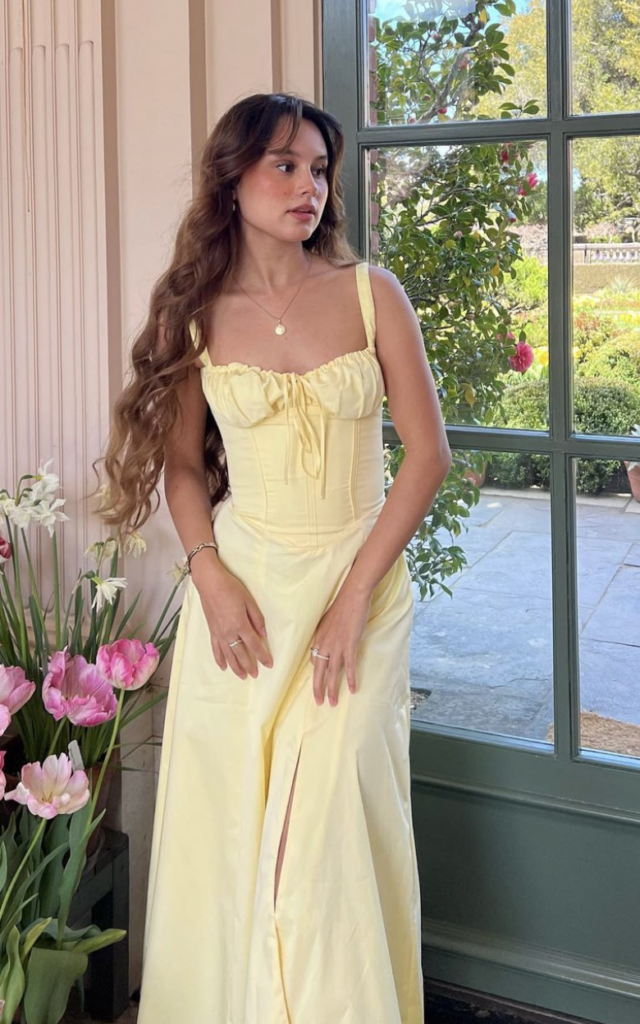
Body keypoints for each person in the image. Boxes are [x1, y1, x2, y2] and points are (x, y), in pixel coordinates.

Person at [92, 92, 451, 1024]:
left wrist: (352, 600)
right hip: (243, 593)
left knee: (319, 835)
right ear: (233, 177)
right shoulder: (198, 315)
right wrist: (206, 574)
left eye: (319, 168)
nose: (308, 186)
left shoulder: (373, 296)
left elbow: (428, 454)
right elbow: (178, 468)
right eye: (284, 165)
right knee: (231, 839)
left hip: (358, 587)